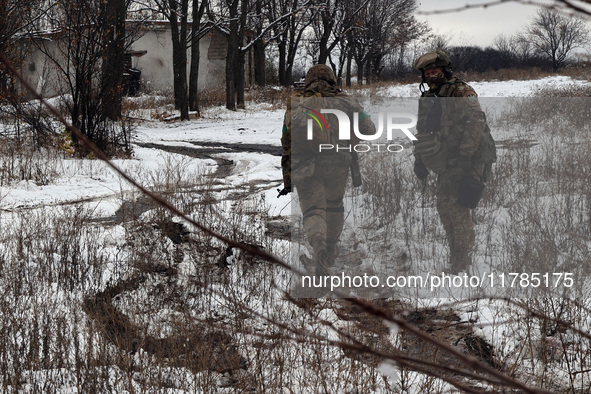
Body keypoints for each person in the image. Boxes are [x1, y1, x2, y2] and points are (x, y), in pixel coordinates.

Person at [279, 64, 375, 276]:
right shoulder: (347, 101)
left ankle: (319, 249)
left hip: (305, 163)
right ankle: (330, 251)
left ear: (308, 80)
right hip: (338, 162)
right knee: (333, 206)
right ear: (333, 79)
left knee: (312, 210)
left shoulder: (297, 101)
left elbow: (286, 137)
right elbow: (370, 129)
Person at [412, 50, 495, 274]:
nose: (431, 75)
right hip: (445, 159)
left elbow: (476, 123)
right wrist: (419, 158)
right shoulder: (430, 96)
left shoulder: (461, 91)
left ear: (445, 70)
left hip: (467, 157)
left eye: (435, 71)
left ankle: (462, 262)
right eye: (427, 72)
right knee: (444, 207)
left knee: (457, 207)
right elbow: (423, 130)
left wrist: (466, 156)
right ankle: (456, 255)